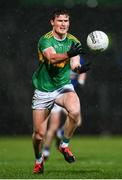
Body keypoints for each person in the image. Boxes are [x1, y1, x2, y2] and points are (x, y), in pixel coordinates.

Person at [31, 9, 90, 174]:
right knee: (39, 135)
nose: (63, 24)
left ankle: (64, 145)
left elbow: (74, 64)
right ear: (52, 22)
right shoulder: (45, 40)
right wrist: (68, 53)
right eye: (60, 21)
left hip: (63, 86)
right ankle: (38, 159)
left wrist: (79, 69)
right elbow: (52, 57)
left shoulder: (73, 41)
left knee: (75, 112)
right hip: (43, 89)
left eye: (66, 21)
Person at [42, 56, 87, 159]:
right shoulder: (60, 57)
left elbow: (82, 74)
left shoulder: (78, 59)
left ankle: (47, 151)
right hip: (59, 94)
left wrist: (81, 81)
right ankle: (49, 148)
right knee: (56, 126)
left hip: (67, 96)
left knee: (73, 121)